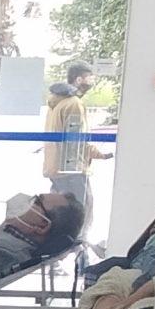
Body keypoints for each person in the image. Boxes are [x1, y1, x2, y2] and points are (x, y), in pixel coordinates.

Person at [43, 61, 98, 207]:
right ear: (79, 79)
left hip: (55, 166)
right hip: (71, 170)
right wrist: (93, 153)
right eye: (89, 77)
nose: (92, 81)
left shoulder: (57, 102)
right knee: (80, 210)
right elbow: (75, 139)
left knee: (60, 210)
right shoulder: (74, 103)